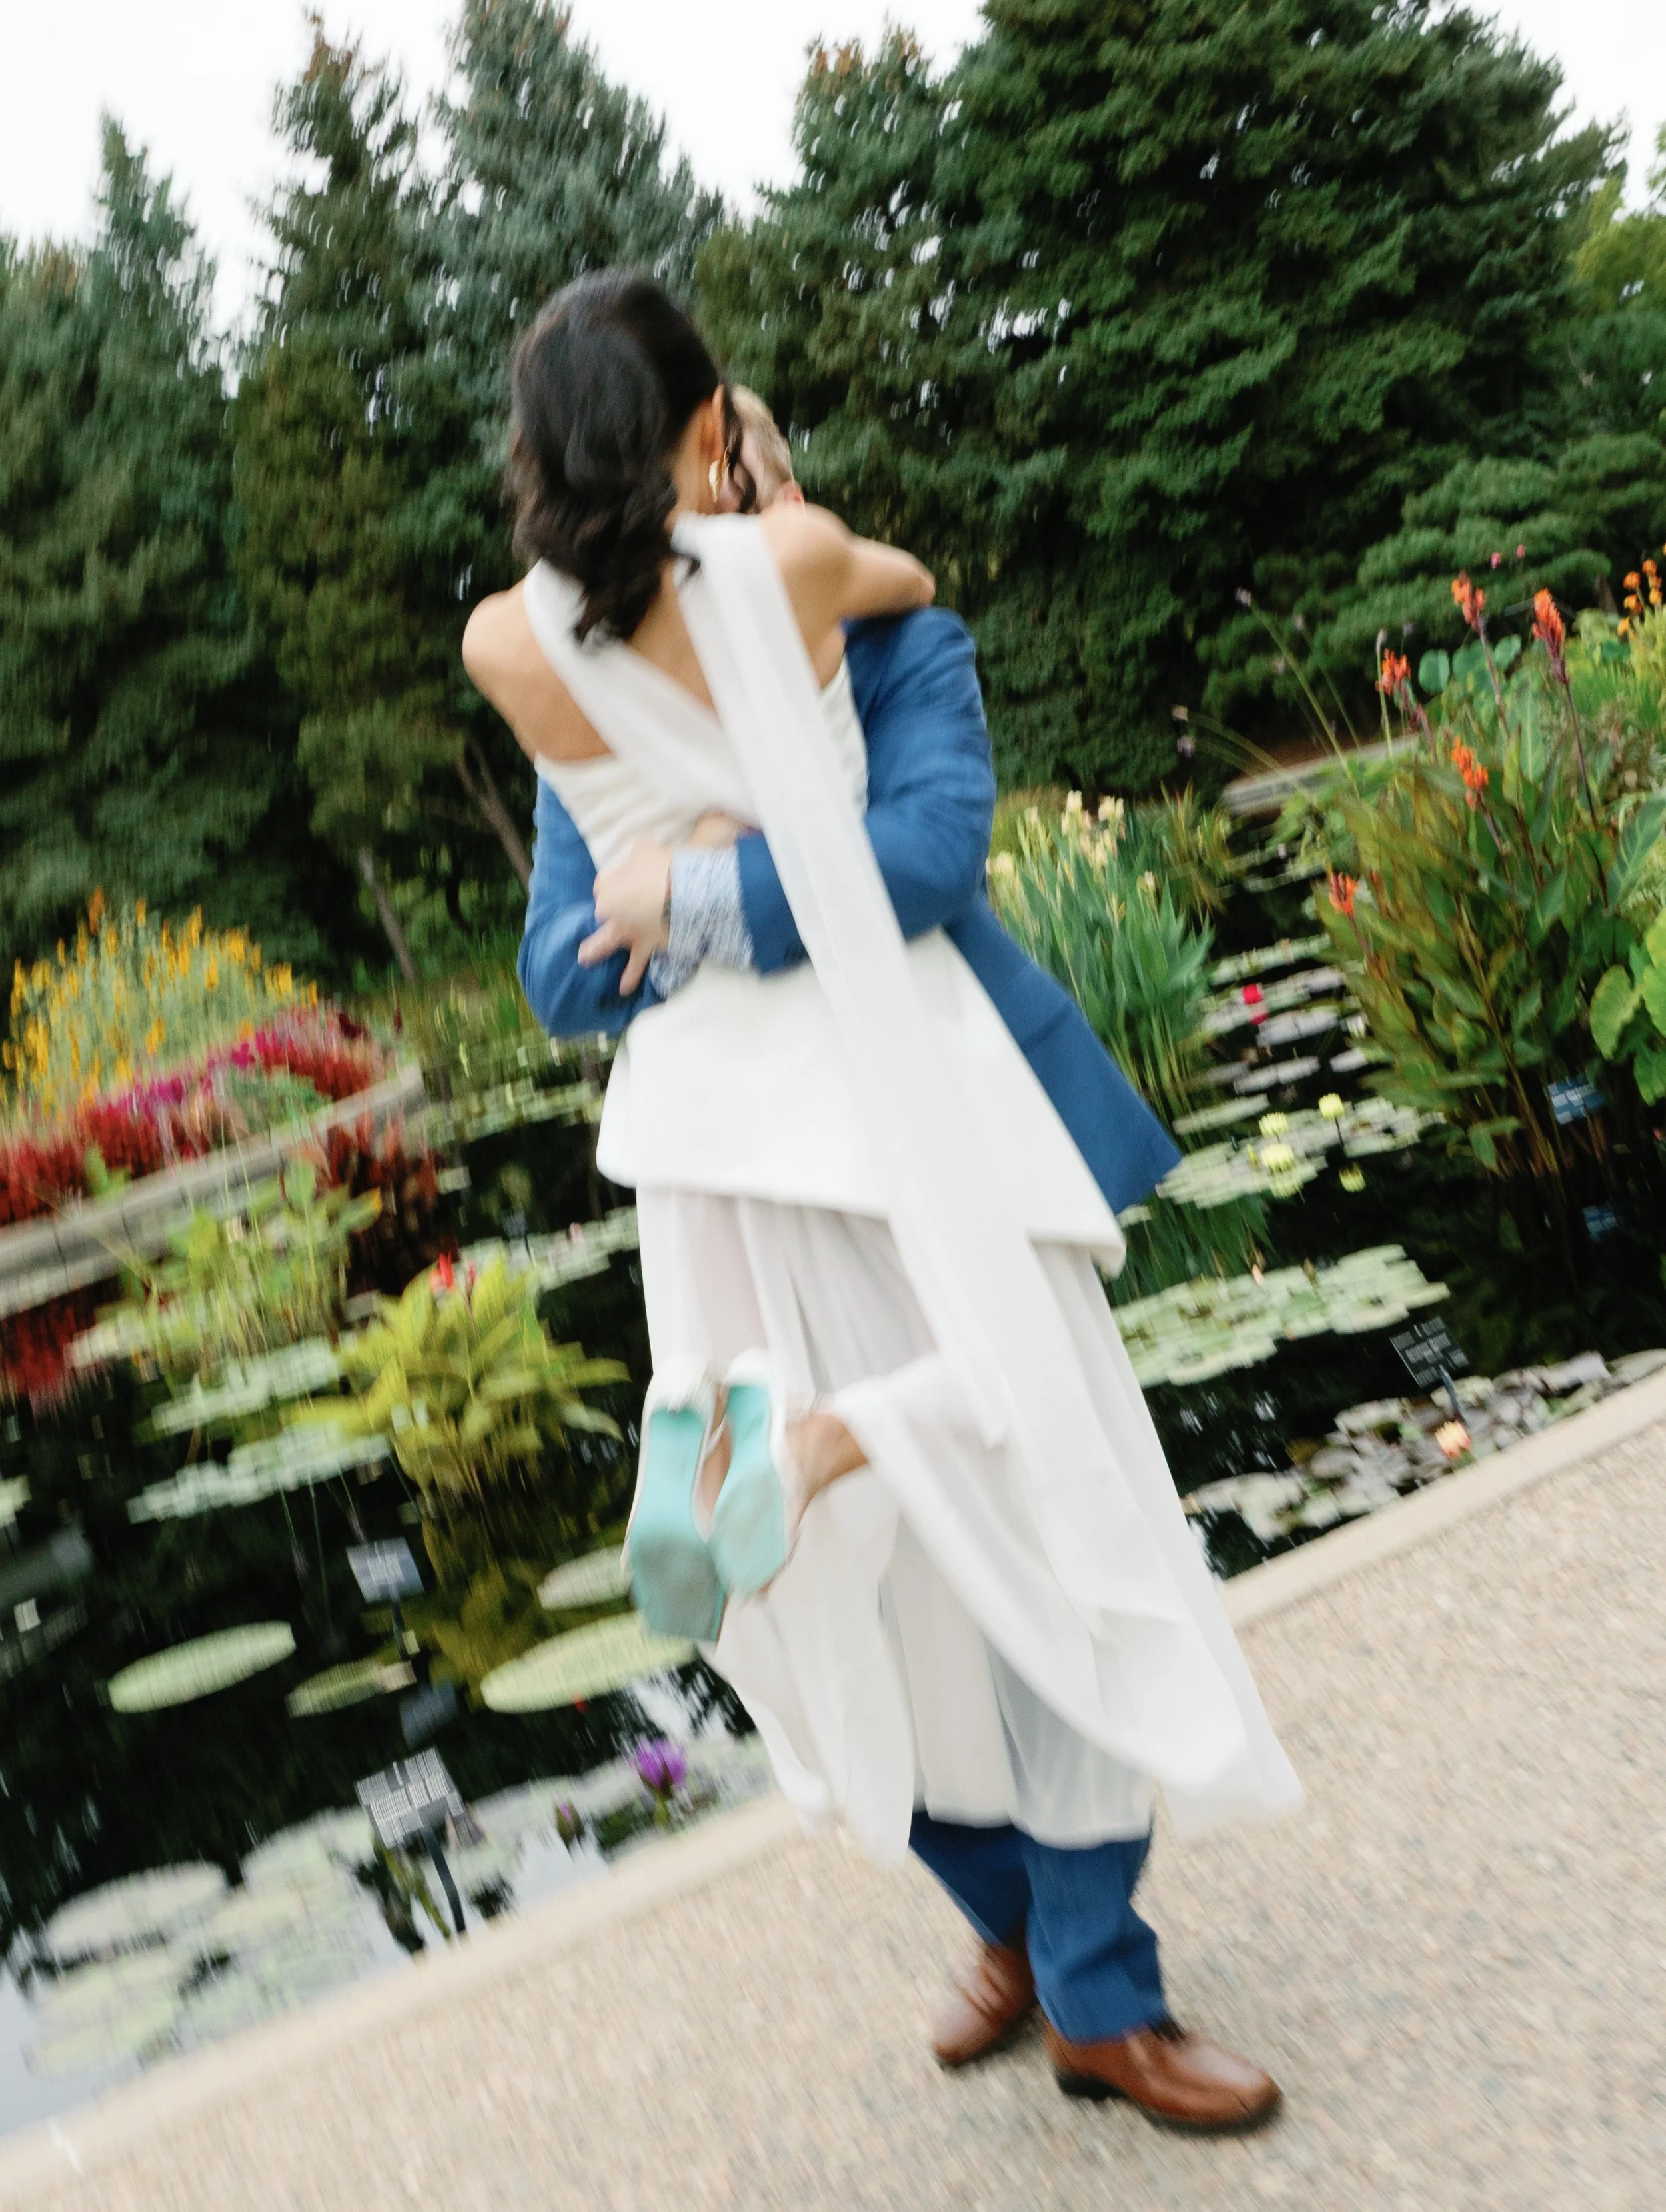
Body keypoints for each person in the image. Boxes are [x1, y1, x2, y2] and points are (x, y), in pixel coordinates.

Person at [464, 271, 1301, 2135]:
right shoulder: (809, 574)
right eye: (736, 440)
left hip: (758, 1138)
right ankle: (1023, 1930)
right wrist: (702, 869)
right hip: (845, 1132)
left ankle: (1089, 1979)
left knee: (986, 1526)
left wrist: (681, 893)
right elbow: (557, 970)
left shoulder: (547, 643)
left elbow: (920, 855)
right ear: (705, 439)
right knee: (976, 1505)